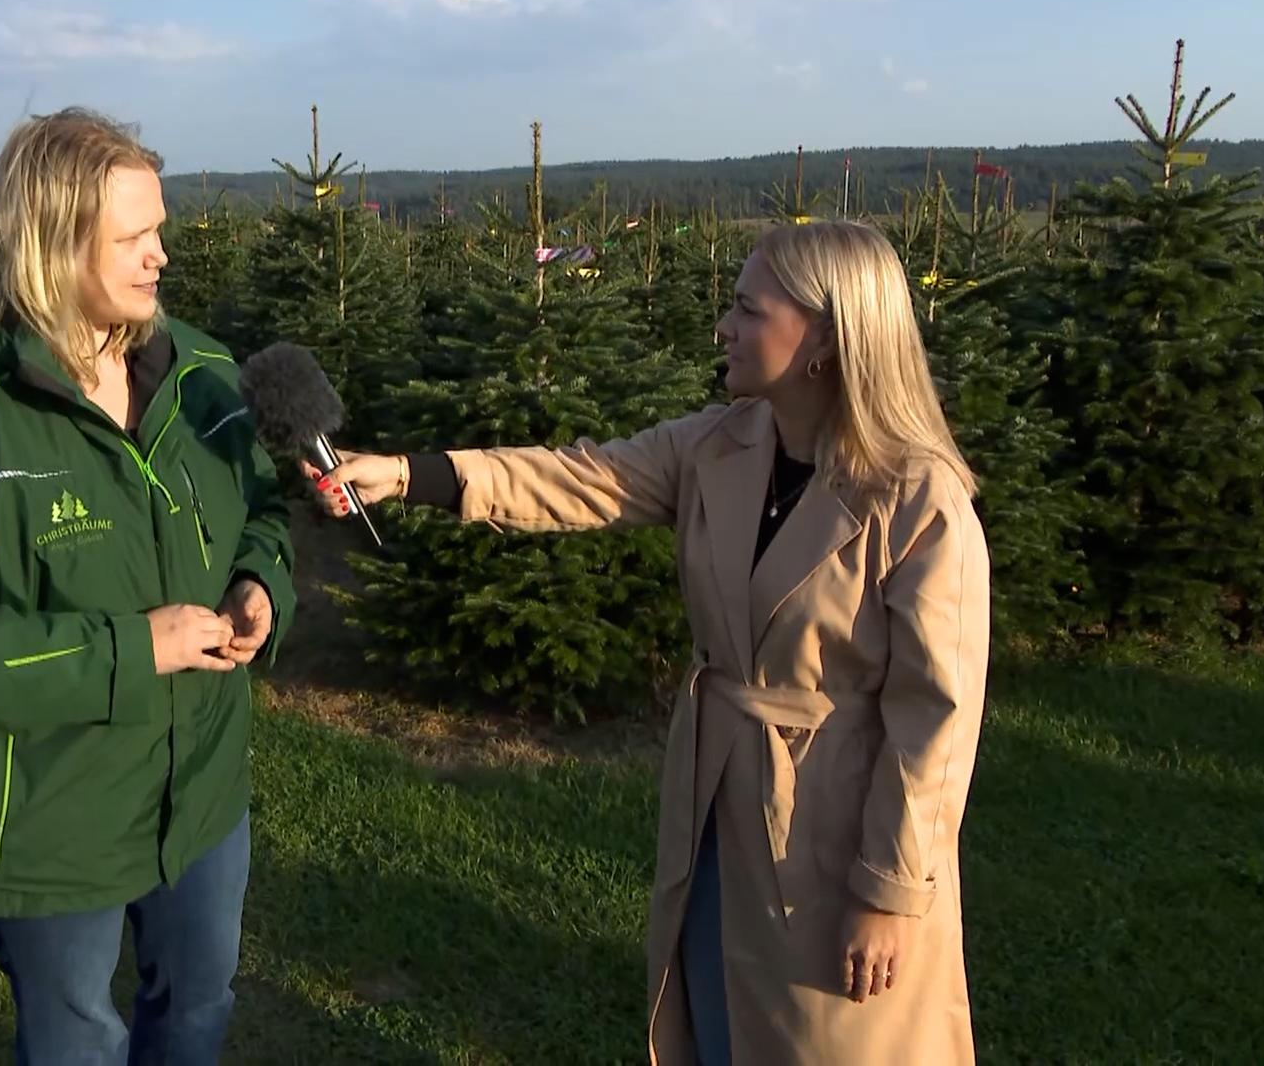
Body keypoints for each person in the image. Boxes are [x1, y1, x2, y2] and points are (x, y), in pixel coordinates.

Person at [309, 221, 989, 1064]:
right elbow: (579, 476)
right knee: (715, 1021)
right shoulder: (720, 444)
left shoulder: (918, 498)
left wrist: (890, 892)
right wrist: (411, 474)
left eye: (746, 309)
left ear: (823, 335)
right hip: (716, 811)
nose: (724, 327)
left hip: (837, 833)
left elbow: (935, 720)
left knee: (831, 1042)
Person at [0, 107, 296, 1066]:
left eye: (160, 229)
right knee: (75, 1038)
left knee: (201, 1003)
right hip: (46, 819)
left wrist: (261, 582)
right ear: (51, 245)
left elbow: (262, 510)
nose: (161, 257)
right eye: (132, 238)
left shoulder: (201, 375)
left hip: (202, 790)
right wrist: (141, 648)